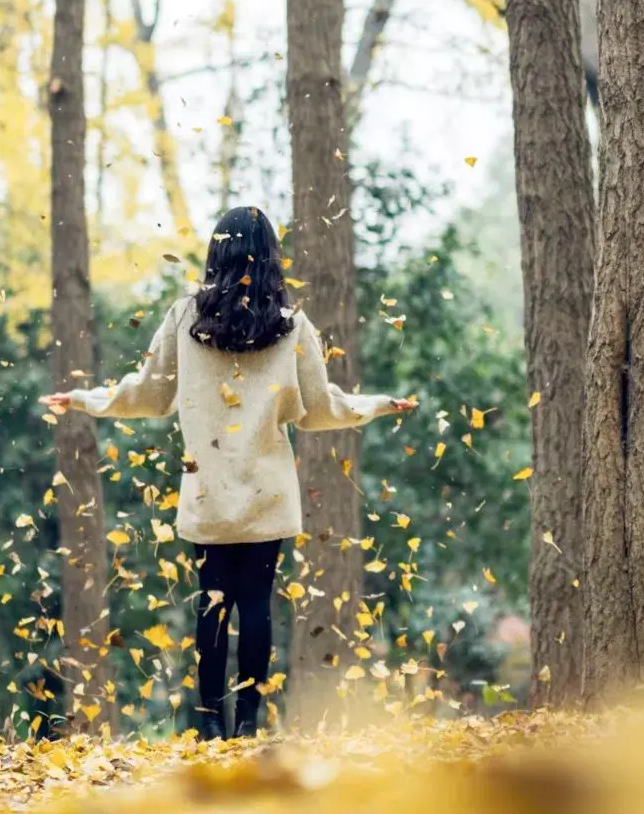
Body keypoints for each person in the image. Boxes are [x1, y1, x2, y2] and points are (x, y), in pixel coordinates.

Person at [40, 206, 416, 741]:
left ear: (217, 251)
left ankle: (209, 720)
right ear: (269, 257)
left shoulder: (183, 317)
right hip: (269, 490)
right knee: (257, 603)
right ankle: (249, 723)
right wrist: (376, 404)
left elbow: (147, 393)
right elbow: (320, 408)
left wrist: (83, 398)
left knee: (212, 599)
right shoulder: (292, 326)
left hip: (207, 489)